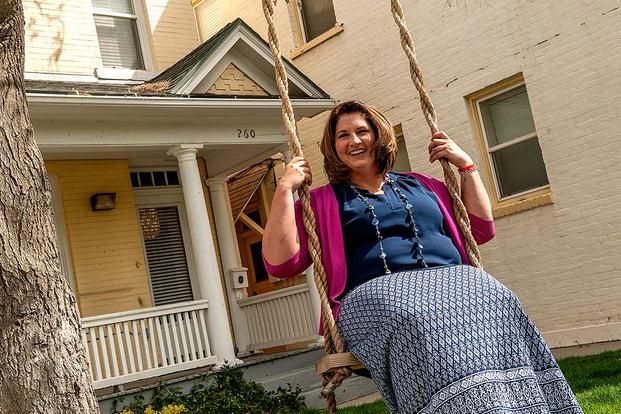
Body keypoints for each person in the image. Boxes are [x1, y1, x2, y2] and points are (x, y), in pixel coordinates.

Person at [262, 100, 582, 413]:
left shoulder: (423, 185)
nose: (354, 141)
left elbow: (481, 230)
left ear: (379, 135)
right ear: (333, 147)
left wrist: (466, 166)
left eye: (362, 131)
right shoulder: (322, 201)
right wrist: (283, 190)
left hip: (452, 285)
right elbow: (281, 263)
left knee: (500, 297)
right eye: (342, 135)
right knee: (414, 314)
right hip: (375, 298)